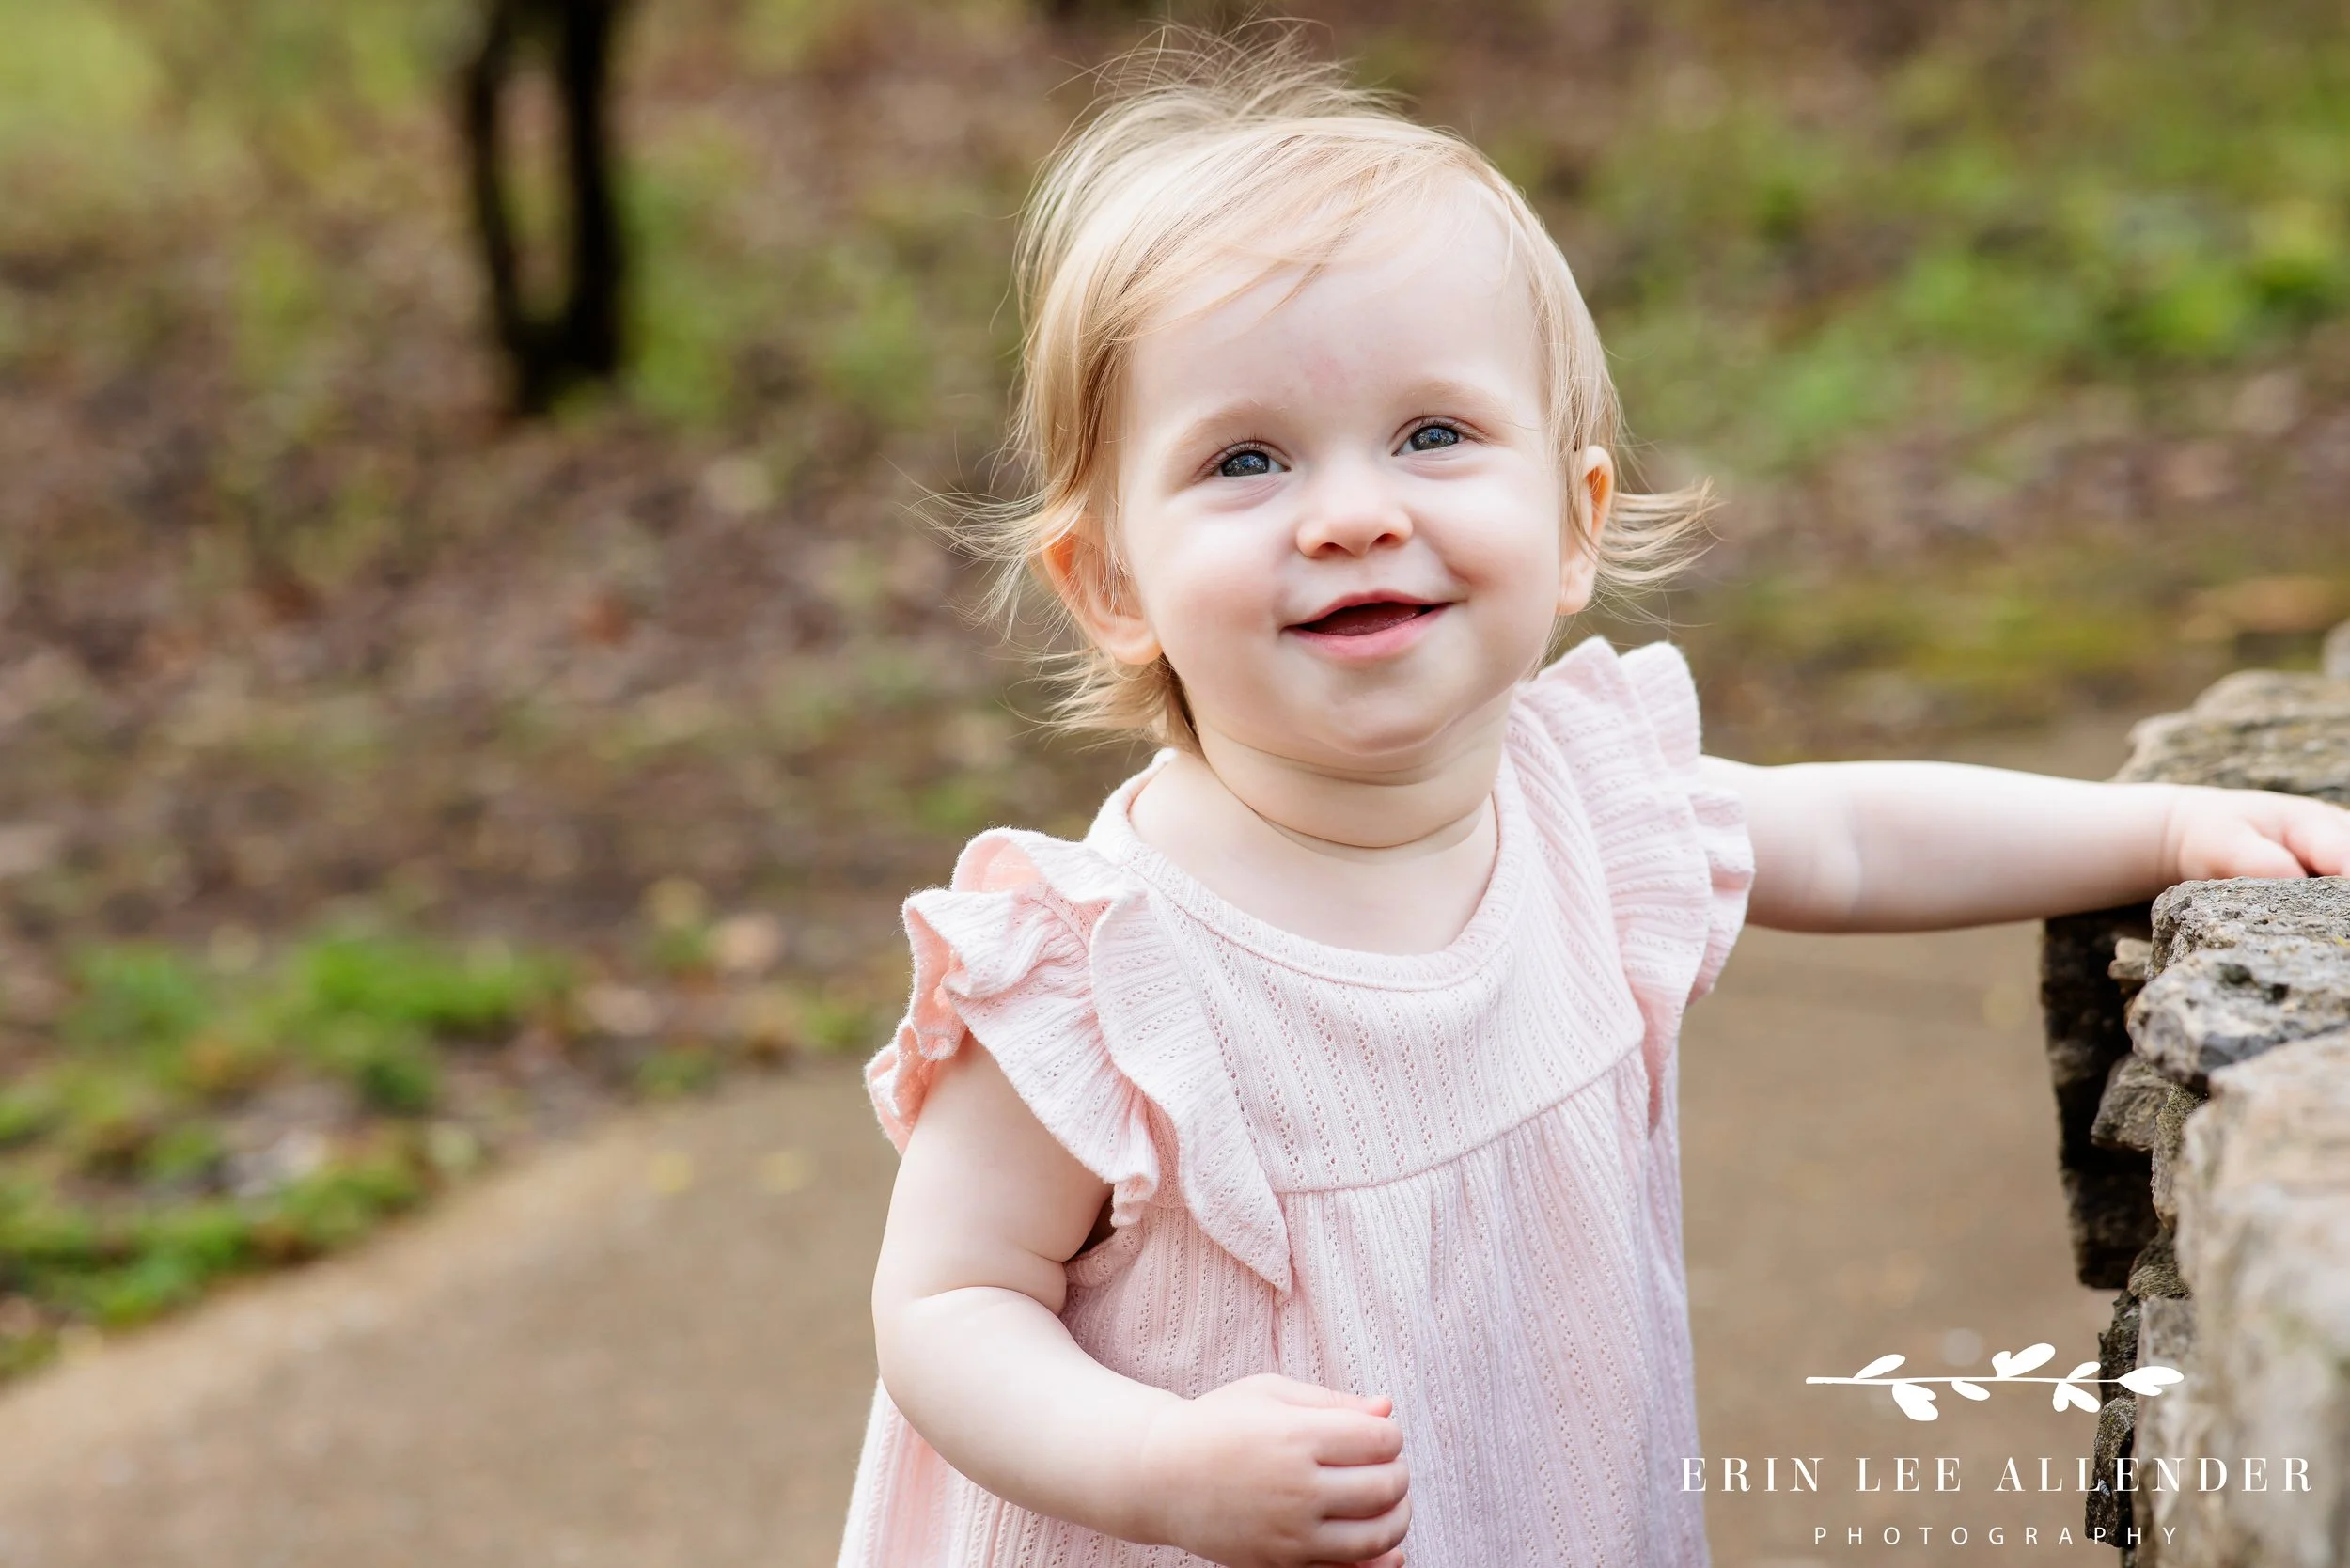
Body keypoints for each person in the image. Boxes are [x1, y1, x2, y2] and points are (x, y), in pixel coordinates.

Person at [836, 36, 2350, 1568]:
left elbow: (1846, 833)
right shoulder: (1104, 979)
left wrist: (2154, 832)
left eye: (1433, 434)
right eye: (1246, 459)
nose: (1356, 513)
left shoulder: (1583, 809)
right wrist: (1156, 1463)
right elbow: (948, 1305)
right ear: (1109, 585)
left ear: (1575, 521)